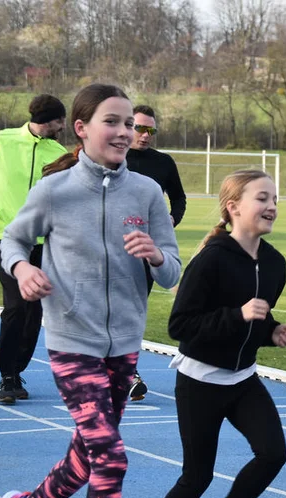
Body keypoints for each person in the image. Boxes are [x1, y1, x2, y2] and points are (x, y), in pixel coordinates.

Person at [0, 84, 182, 498]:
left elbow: (173, 271)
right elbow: (13, 242)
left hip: (124, 347)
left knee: (85, 460)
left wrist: (156, 255)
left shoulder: (146, 192)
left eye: (129, 124)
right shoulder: (55, 191)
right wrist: (24, 271)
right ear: (82, 128)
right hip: (70, 341)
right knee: (111, 459)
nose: (124, 132)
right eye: (112, 122)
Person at [132, 169, 286, 498]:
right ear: (234, 207)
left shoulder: (276, 263)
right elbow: (180, 325)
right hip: (200, 380)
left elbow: (257, 316)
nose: (272, 205)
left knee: (273, 454)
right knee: (197, 476)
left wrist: (271, 331)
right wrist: (239, 316)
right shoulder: (211, 259)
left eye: (275, 198)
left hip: (243, 379)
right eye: (262, 197)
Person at [0, 94, 67, 404]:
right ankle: (7, 377)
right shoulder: (0, 141)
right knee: (16, 306)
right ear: (51, 120)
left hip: (45, 243)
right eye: (61, 120)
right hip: (5, 238)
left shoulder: (59, 153)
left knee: (34, 312)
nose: (64, 126)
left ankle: (16, 372)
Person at [125, 104, 188, 402]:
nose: (146, 135)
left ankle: (127, 371)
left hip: (146, 251)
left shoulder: (163, 163)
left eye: (151, 130)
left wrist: (172, 219)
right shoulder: (112, 155)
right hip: (106, 248)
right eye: (140, 128)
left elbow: (178, 197)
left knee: (133, 312)